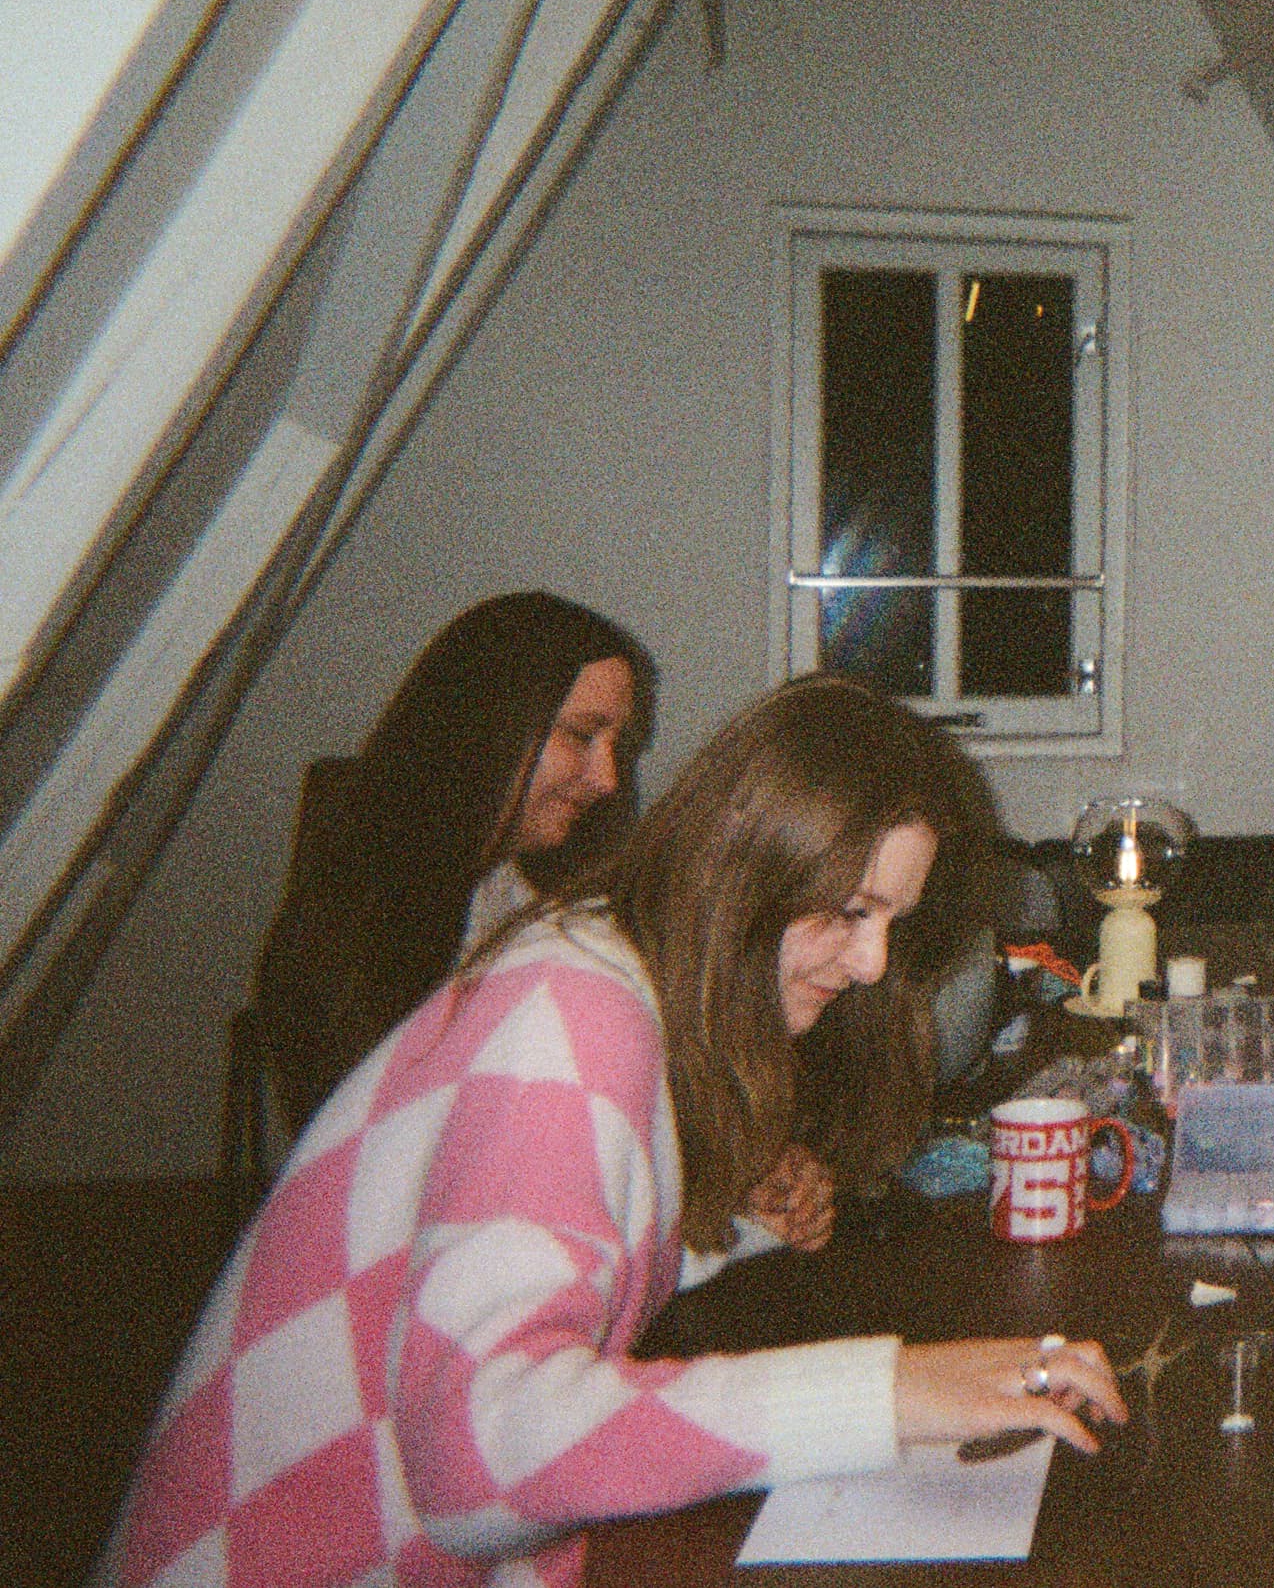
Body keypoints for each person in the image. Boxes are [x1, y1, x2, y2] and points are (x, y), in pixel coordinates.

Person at [102, 677, 1127, 1588]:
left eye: (890, 925)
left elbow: (547, 1267)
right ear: (748, 868)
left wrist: (718, 1220)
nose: (868, 963)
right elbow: (480, 1459)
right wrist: (889, 1386)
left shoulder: (609, 965)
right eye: (850, 912)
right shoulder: (569, 1008)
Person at [251, 593, 656, 1131]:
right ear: (491, 723)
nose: (607, 779)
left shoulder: (534, 890)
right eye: (581, 734)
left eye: (617, 744)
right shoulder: (357, 922)